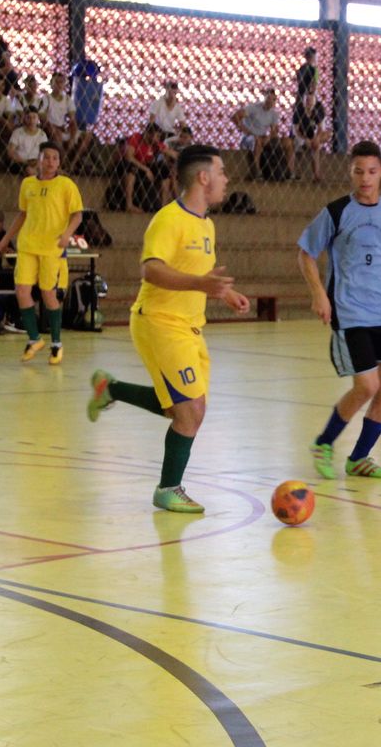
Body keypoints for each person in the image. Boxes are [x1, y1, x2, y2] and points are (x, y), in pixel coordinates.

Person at [86, 145, 250, 514]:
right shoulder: (168, 219)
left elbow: (197, 274)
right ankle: (168, 488)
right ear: (203, 177)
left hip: (189, 327)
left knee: (187, 409)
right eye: (221, 172)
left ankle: (109, 388)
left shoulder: (207, 224)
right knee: (189, 412)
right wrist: (200, 285)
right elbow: (152, 269)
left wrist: (224, 293)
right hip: (158, 323)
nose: (226, 179)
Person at [298, 139, 381, 482]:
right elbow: (305, 253)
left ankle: (359, 458)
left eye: (371, 171)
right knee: (367, 385)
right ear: (350, 173)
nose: (365, 178)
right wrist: (318, 295)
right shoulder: (337, 212)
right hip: (349, 313)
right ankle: (324, 443)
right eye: (358, 172)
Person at [0, 142, 84, 365]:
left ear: (59, 162)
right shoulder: (27, 184)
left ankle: (56, 343)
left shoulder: (66, 185)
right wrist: (5, 240)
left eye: (55, 158)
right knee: (22, 290)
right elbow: (22, 214)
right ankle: (34, 339)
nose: (50, 161)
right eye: (46, 157)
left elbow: (77, 216)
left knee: (48, 293)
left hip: (51, 248)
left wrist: (67, 235)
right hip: (28, 245)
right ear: (39, 159)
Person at [232, 88, 295, 180]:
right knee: (257, 140)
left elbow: (274, 131)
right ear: (264, 98)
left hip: (263, 137)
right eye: (268, 98)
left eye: (273, 99)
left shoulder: (274, 114)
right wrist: (245, 130)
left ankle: (290, 172)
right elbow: (235, 117)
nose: (270, 101)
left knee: (288, 142)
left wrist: (270, 137)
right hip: (249, 138)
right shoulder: (253, 108)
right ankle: (257, 171)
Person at [40, 71, 90, 170]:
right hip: (51, 129)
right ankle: (64, 163)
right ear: (51, 84)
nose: (59, 85)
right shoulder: (46, 98)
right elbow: (43, 117)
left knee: (88, 135)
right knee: (56, 134)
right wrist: (54, 127)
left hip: (63, 129)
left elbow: (72, 120)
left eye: (61, 82)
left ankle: (73, 162)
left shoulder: (67, 99)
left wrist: (72, 135)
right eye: (57, 82)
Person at [119, 122, 170, 213]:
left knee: (165, 170)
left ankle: (163, 206)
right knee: (131, 168)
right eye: (157, 136)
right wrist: (146, 169)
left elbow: (171, 152)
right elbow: (128, 157)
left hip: (144, 167)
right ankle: (129, 205)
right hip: (128, 165)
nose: (158, 139)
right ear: (148, 134)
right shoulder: (136, 137)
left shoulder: (156, 144)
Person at [292, 89, 330, 182]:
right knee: (314, 147)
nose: (309, 102)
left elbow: (320, 128)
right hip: (301, 136)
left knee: (319, 142)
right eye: (307, 100)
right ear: (304, 101)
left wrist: (316, 138)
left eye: (311, 100)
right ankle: (316, 174)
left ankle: (316, 175)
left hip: (313, 136)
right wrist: (305, 139)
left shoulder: (317, 111)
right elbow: (296, 130)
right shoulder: (299, 111)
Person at [7, 106, 47, 176]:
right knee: (29, 170)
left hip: (37, 162)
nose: (31, 121)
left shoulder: (42, 134)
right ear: (24, 119)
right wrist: (25, 162)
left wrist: (36, 164)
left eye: (34, 117)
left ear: (38, 119)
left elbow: (45, 152)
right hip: (20, 163)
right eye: (28, 117)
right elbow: (11, 152)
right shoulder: (17, 132)